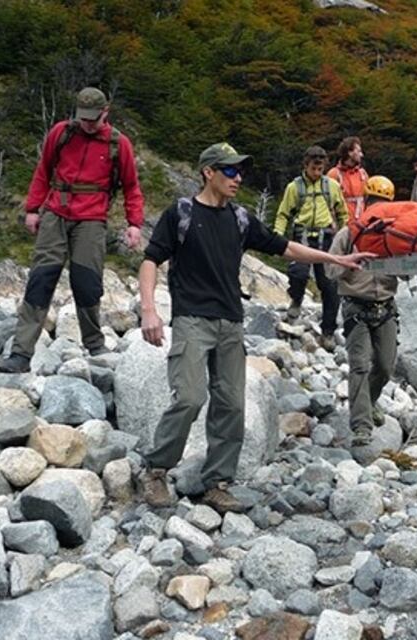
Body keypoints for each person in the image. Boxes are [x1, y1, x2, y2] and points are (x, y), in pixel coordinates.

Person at [138, 142, 373, 513]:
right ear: (208, 172)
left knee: (231, 404)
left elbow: (286, 247)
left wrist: (336, 257)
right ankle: (155, 470)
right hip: (191, 319)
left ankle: (216, 482)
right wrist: (148, 309)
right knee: (189, 397)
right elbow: (151, 260)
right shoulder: (181, 213)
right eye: (230, 171)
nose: (238, 177)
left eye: (240, 171)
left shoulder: (240, 218)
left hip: (231, 322)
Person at [0, 87, 144, 374]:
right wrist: (32, 209)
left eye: (93, 118)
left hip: (92, 218)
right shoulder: (61, 133)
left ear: (106, 112)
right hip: (55, 212)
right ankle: (20, 353)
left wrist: (134, 224)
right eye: (83, 118)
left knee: (86, 282)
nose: (87, 124)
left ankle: (94, 343)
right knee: (41, 278)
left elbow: (131, 186)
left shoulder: (118, 144)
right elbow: (44, 170)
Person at [326, 176, 399, 447]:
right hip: (356, 306)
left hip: (387, 307)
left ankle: (369, 401)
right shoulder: (348, 234)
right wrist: (349, 264)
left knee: (385, 366)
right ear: (366, 204)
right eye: (376, 203)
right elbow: (330, 270)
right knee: (359, 365)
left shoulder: (396, 236)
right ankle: (361, 426)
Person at [272, 145, 350, 350]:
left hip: (326, 239)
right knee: (298, 273)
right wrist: (277, 237)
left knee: (329, 286)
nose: (317, 172)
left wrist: (346, 236)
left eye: (320, 168)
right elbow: (283, 214)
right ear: (305, 165)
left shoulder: (331, 186)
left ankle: (328, 332)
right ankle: (296, 299)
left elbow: (342, 213)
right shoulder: (294, 188)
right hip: (302, 236)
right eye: (313, 168)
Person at [327, 136, 369, 221]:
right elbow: (328, 203)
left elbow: (367, 199)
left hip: (361, 223)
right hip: (343, 224)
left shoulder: (363, 174)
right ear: (349, 152)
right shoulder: (334, 174)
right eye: (359, 151)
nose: (362, 155)